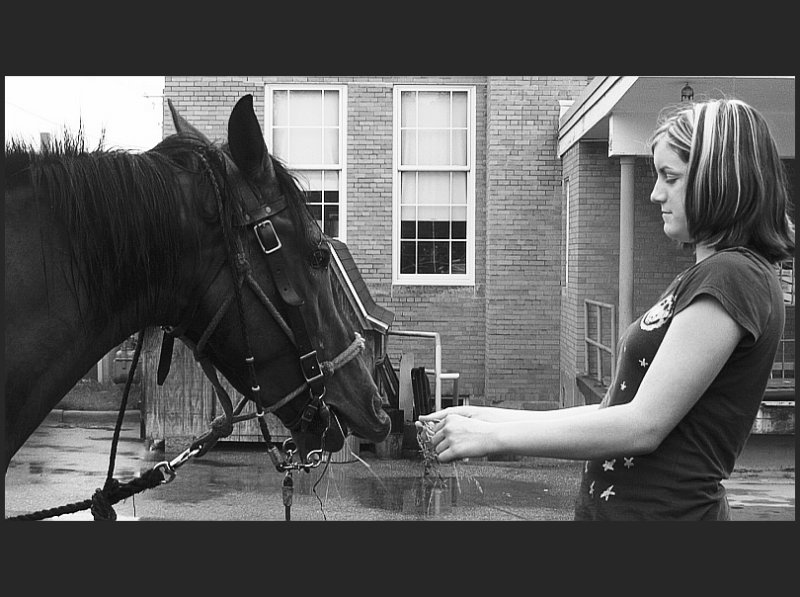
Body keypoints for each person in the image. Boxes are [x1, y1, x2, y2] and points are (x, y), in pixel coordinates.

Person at [418, 97, 795, 520]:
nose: (655, 193)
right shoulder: (712, 275)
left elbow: (642, 425)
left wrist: (492, 440)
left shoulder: (733, 276)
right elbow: (616, 408)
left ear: (720, 179)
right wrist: (487, 419)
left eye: (670, 177)